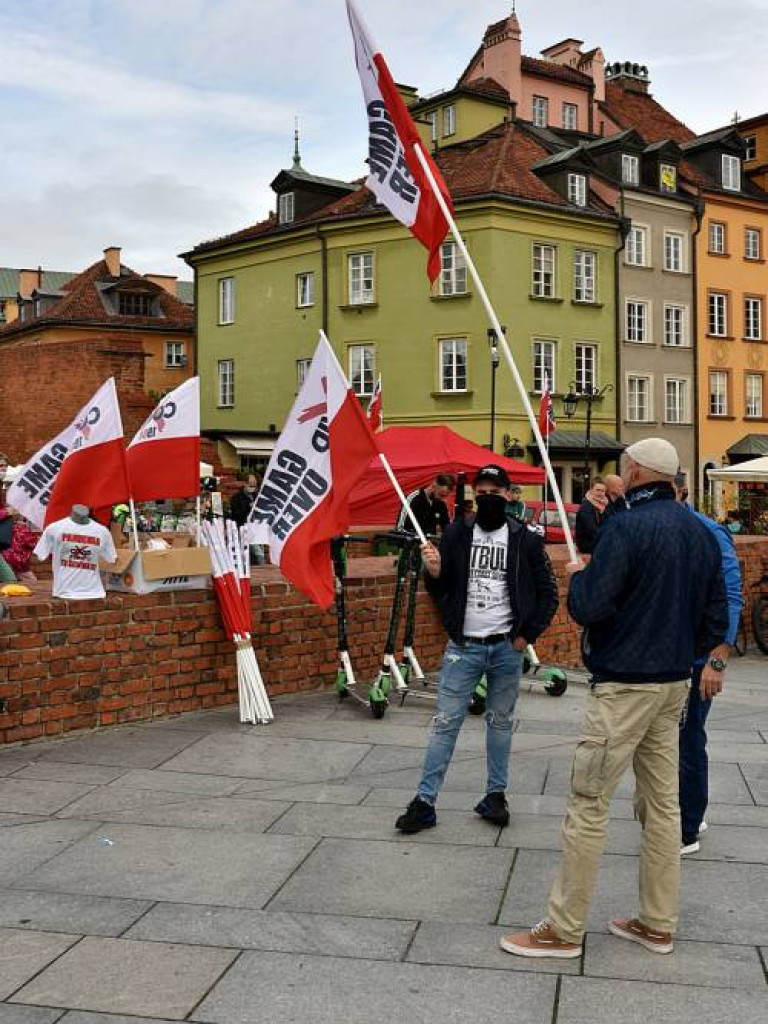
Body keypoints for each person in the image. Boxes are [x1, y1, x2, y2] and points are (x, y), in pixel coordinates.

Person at [502, 438, 727, 960]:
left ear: (636, 471)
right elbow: (715, 617)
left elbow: (589, 606)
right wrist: (682, 653)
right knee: (663, 807)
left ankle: (562, 928)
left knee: (588, 803)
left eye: (626, 467)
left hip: (625, 682)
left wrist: (580, 580)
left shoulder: (625, 526)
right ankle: (657, 921)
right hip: (674, 682)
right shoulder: (699, 531)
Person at [394, 464, 558, 834]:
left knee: (500, 723)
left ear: (508, 496)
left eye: (494, 493)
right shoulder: (456, 534)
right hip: (464, 645)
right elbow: (443, 588)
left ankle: (495, 795)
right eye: (480, 492)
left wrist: (526, 636)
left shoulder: (525, 539)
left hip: (505, 646)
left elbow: (548, 592)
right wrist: (433, 571)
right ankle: (425, 801)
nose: (487, 498)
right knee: (445, 723)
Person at [674, 476, 742, 855]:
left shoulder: (708, 531)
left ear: (681, 491)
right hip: (664, 655)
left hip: (698, 656)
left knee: (688, 737)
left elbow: (731, 593)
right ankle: (682, 814)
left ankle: (688, 824)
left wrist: (718, 659)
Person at [574, 476, 607, 554]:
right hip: (588, 547)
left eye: (603, 491)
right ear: (591, 490)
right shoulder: (586, 506)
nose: (600, 493)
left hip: (599, 543)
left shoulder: (604, 505)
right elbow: (591, 529)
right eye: (598, 490)